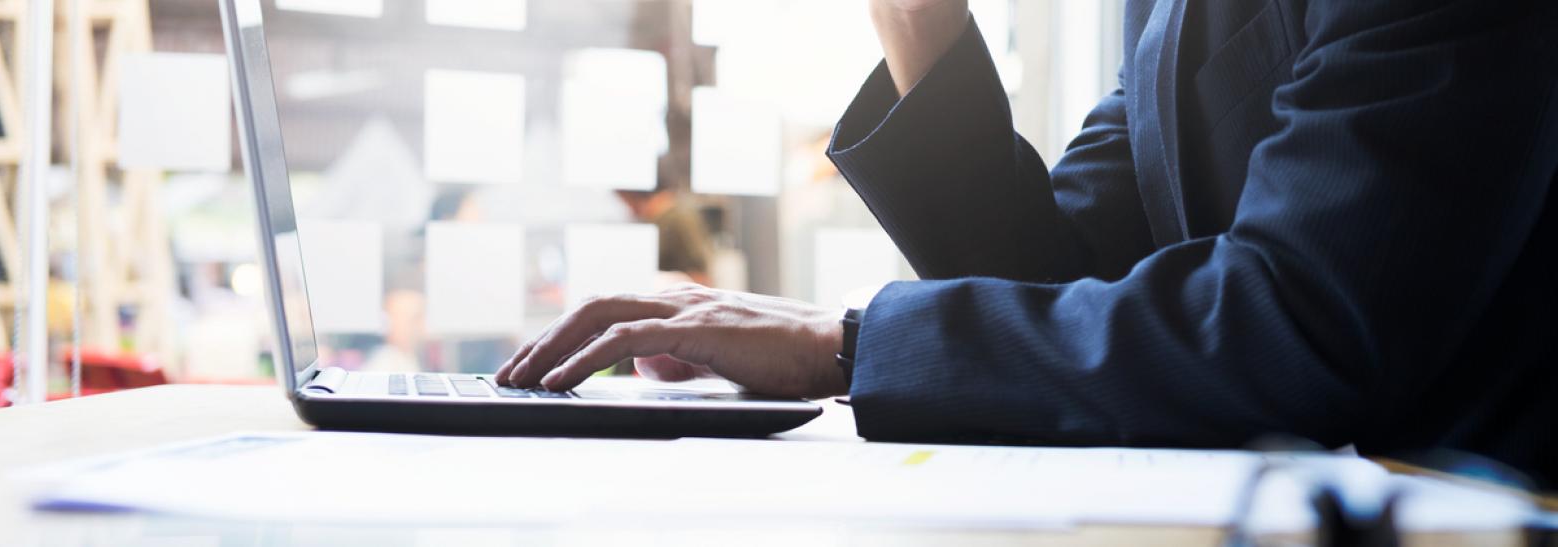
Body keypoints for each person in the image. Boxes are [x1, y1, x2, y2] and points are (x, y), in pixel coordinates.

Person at [497, 0, 1558, 485]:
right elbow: (1061, 283)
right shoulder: (1169, 17)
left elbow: (1296, 327)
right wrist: (920, 23)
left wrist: (847, 342)